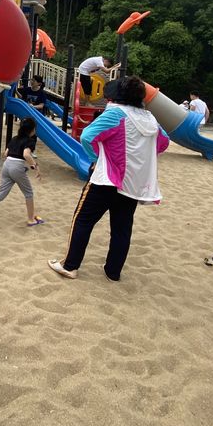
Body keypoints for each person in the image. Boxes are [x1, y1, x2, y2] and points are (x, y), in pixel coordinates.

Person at [48, 77, 169, 282]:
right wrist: (139, 157)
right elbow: (163, 142)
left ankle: (70, 266)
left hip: (106, 180)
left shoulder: (116, 113)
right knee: (122, 228)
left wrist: (96, 158)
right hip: (132, 183)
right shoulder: (150, 119)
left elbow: (87, 135)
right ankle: (113, 272)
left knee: (83, 220)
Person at [0, 117, 44, 228]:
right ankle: (31, 220)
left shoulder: (14, 138)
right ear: (31, 130)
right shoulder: (30, 141)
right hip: (16, 167)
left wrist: (20, 167)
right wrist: (35, 167)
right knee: (29, 193)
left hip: (7, 166)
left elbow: (6, 153)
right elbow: (26, 155)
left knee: (1, 193)